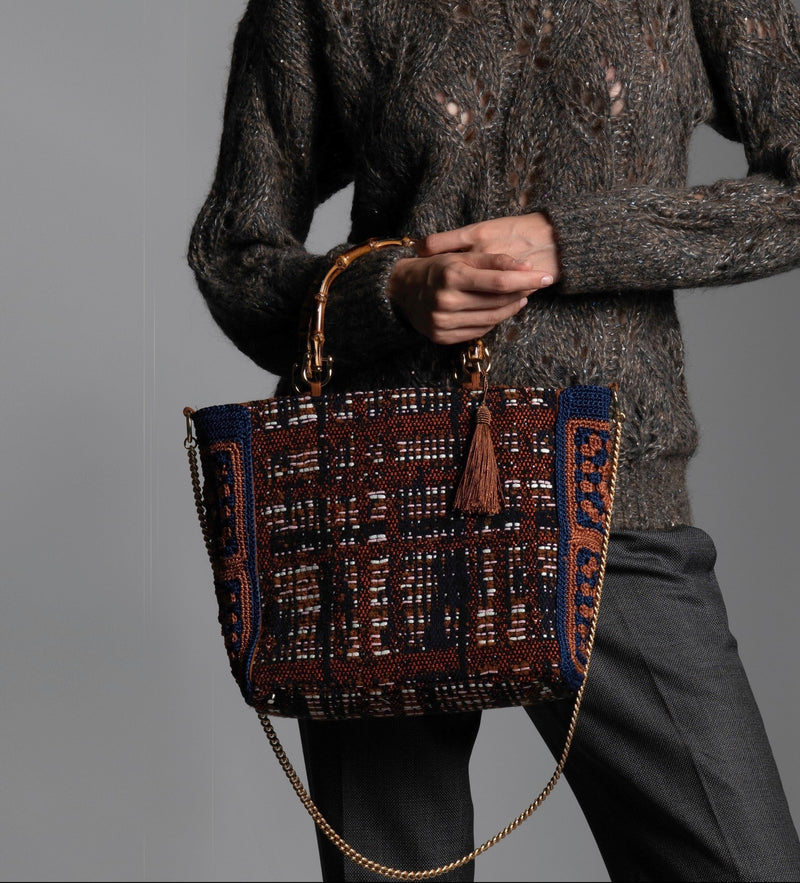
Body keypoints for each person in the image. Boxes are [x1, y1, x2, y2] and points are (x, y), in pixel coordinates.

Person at [187, 0, 800, 879]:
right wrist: (388, 293)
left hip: (605, 494)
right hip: (376, 503)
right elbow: (232, 249)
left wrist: (568, 241)